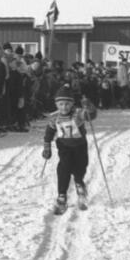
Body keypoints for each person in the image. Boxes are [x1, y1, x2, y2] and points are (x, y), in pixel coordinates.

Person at [41, 84, 97, 215]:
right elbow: (48, 133)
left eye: (67, 104)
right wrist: (47, 147)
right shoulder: (55, 117)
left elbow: (90, 116)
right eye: (60, 104)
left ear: (72, 104)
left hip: (79, 146)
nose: (64, 107)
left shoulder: (77, 114)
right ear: (56, 105)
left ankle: (79, 184)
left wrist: (89, 107)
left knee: (80, 167)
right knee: (63, 169)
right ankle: (62, 196)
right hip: (64, 147)